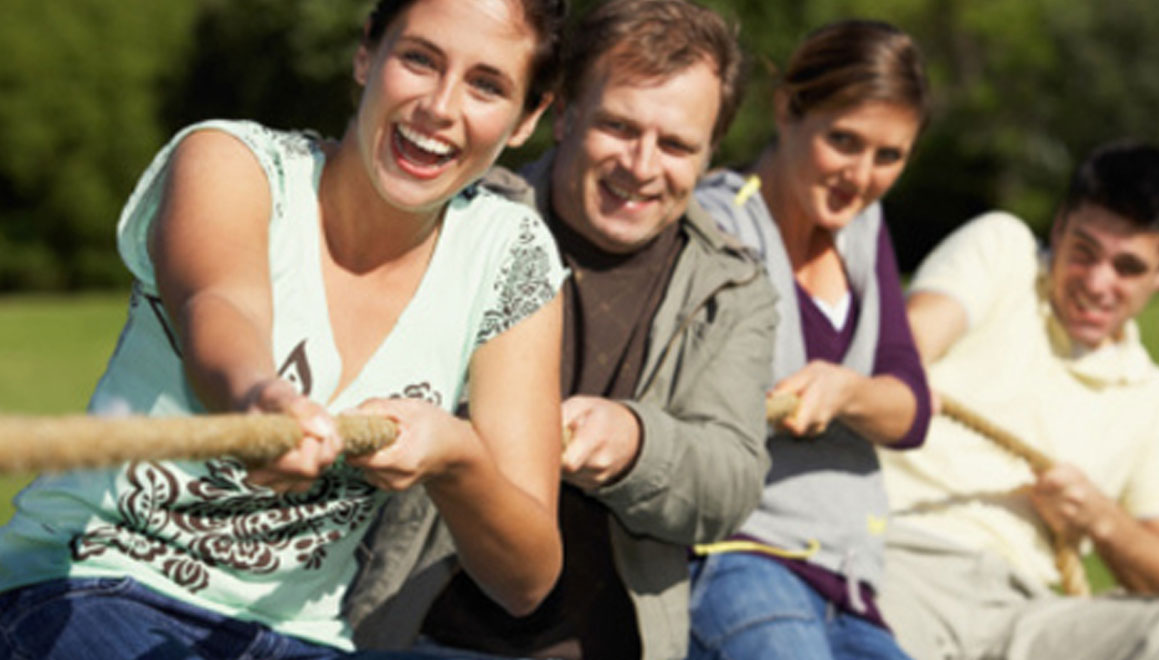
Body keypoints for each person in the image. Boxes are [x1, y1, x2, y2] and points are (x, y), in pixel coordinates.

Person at [0, 0, 571, 657]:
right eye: (419, 59)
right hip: (98, 581)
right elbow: (220, 305)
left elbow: (526, 579)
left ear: (529, 117)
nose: (440, 107)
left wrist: (456, 457)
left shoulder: (511, 255)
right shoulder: (230, 161)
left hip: (300, 635)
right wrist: (261, 402)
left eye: (487, 84)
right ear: (366, 55)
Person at [344, 2, 776, 659]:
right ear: (564, 114)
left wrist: (637, 445)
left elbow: (733, 484)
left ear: (711, 155)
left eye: (677, 145)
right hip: (416, 632)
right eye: (618, 127)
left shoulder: (735, 291)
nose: (641, 164)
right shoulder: (463, 216)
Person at [684, 20, 931, 660]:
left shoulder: (863, 225)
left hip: (849, 577)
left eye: (889, 156)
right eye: (843, 141)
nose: (861, 175)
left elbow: (911, 410)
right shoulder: (717, 223)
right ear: (788, 109)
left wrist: (845, 392)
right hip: (734, 557)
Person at [878, 141, 1159, 660]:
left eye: (1127, 267)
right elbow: (911, 342)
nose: (1099, 282)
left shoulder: (1152, 395)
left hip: (1026, 612)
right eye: (1084, 251)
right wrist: (905, 379)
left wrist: (1101, 519)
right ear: (1058, 228)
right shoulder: (1004, 250)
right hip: (902, 559)